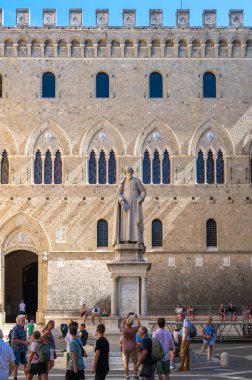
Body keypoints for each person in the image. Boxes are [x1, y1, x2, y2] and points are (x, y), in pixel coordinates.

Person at [113, 166, 146, 245]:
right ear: (125, 173)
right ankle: (126, 239)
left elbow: (143, 191)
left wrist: (141, 197)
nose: (129, 174)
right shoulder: (122, 182)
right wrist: (121, 200)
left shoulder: (137, 181)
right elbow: (119, 194)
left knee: (135, 220)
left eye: (130, 172)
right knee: (126, 222)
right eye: (127, 172)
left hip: (135, 204)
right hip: (126, 206)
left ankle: (137, 239)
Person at [121, 314, 141, 379]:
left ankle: (127, 375)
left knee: (126, 363)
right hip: (133, 347)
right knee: (135, 362)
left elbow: (123, 322)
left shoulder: (123, 329)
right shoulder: (134, 329)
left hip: (125, 348)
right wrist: (136, 318)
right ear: (132, 324)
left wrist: (126, 316)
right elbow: (139, 325)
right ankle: (135, 374)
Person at [12, 315, 29, 380]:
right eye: (23, 320)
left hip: (23, 349)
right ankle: (15, 378)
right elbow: (14, 339)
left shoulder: (23, 328)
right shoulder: (15, 328)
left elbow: (24, 339)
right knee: (16, 365)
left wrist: (26, 347)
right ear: (19, 321)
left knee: (26, 364)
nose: (25, 321)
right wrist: (24, 342)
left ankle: (27, 378)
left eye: (24, 320)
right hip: (17, 349)